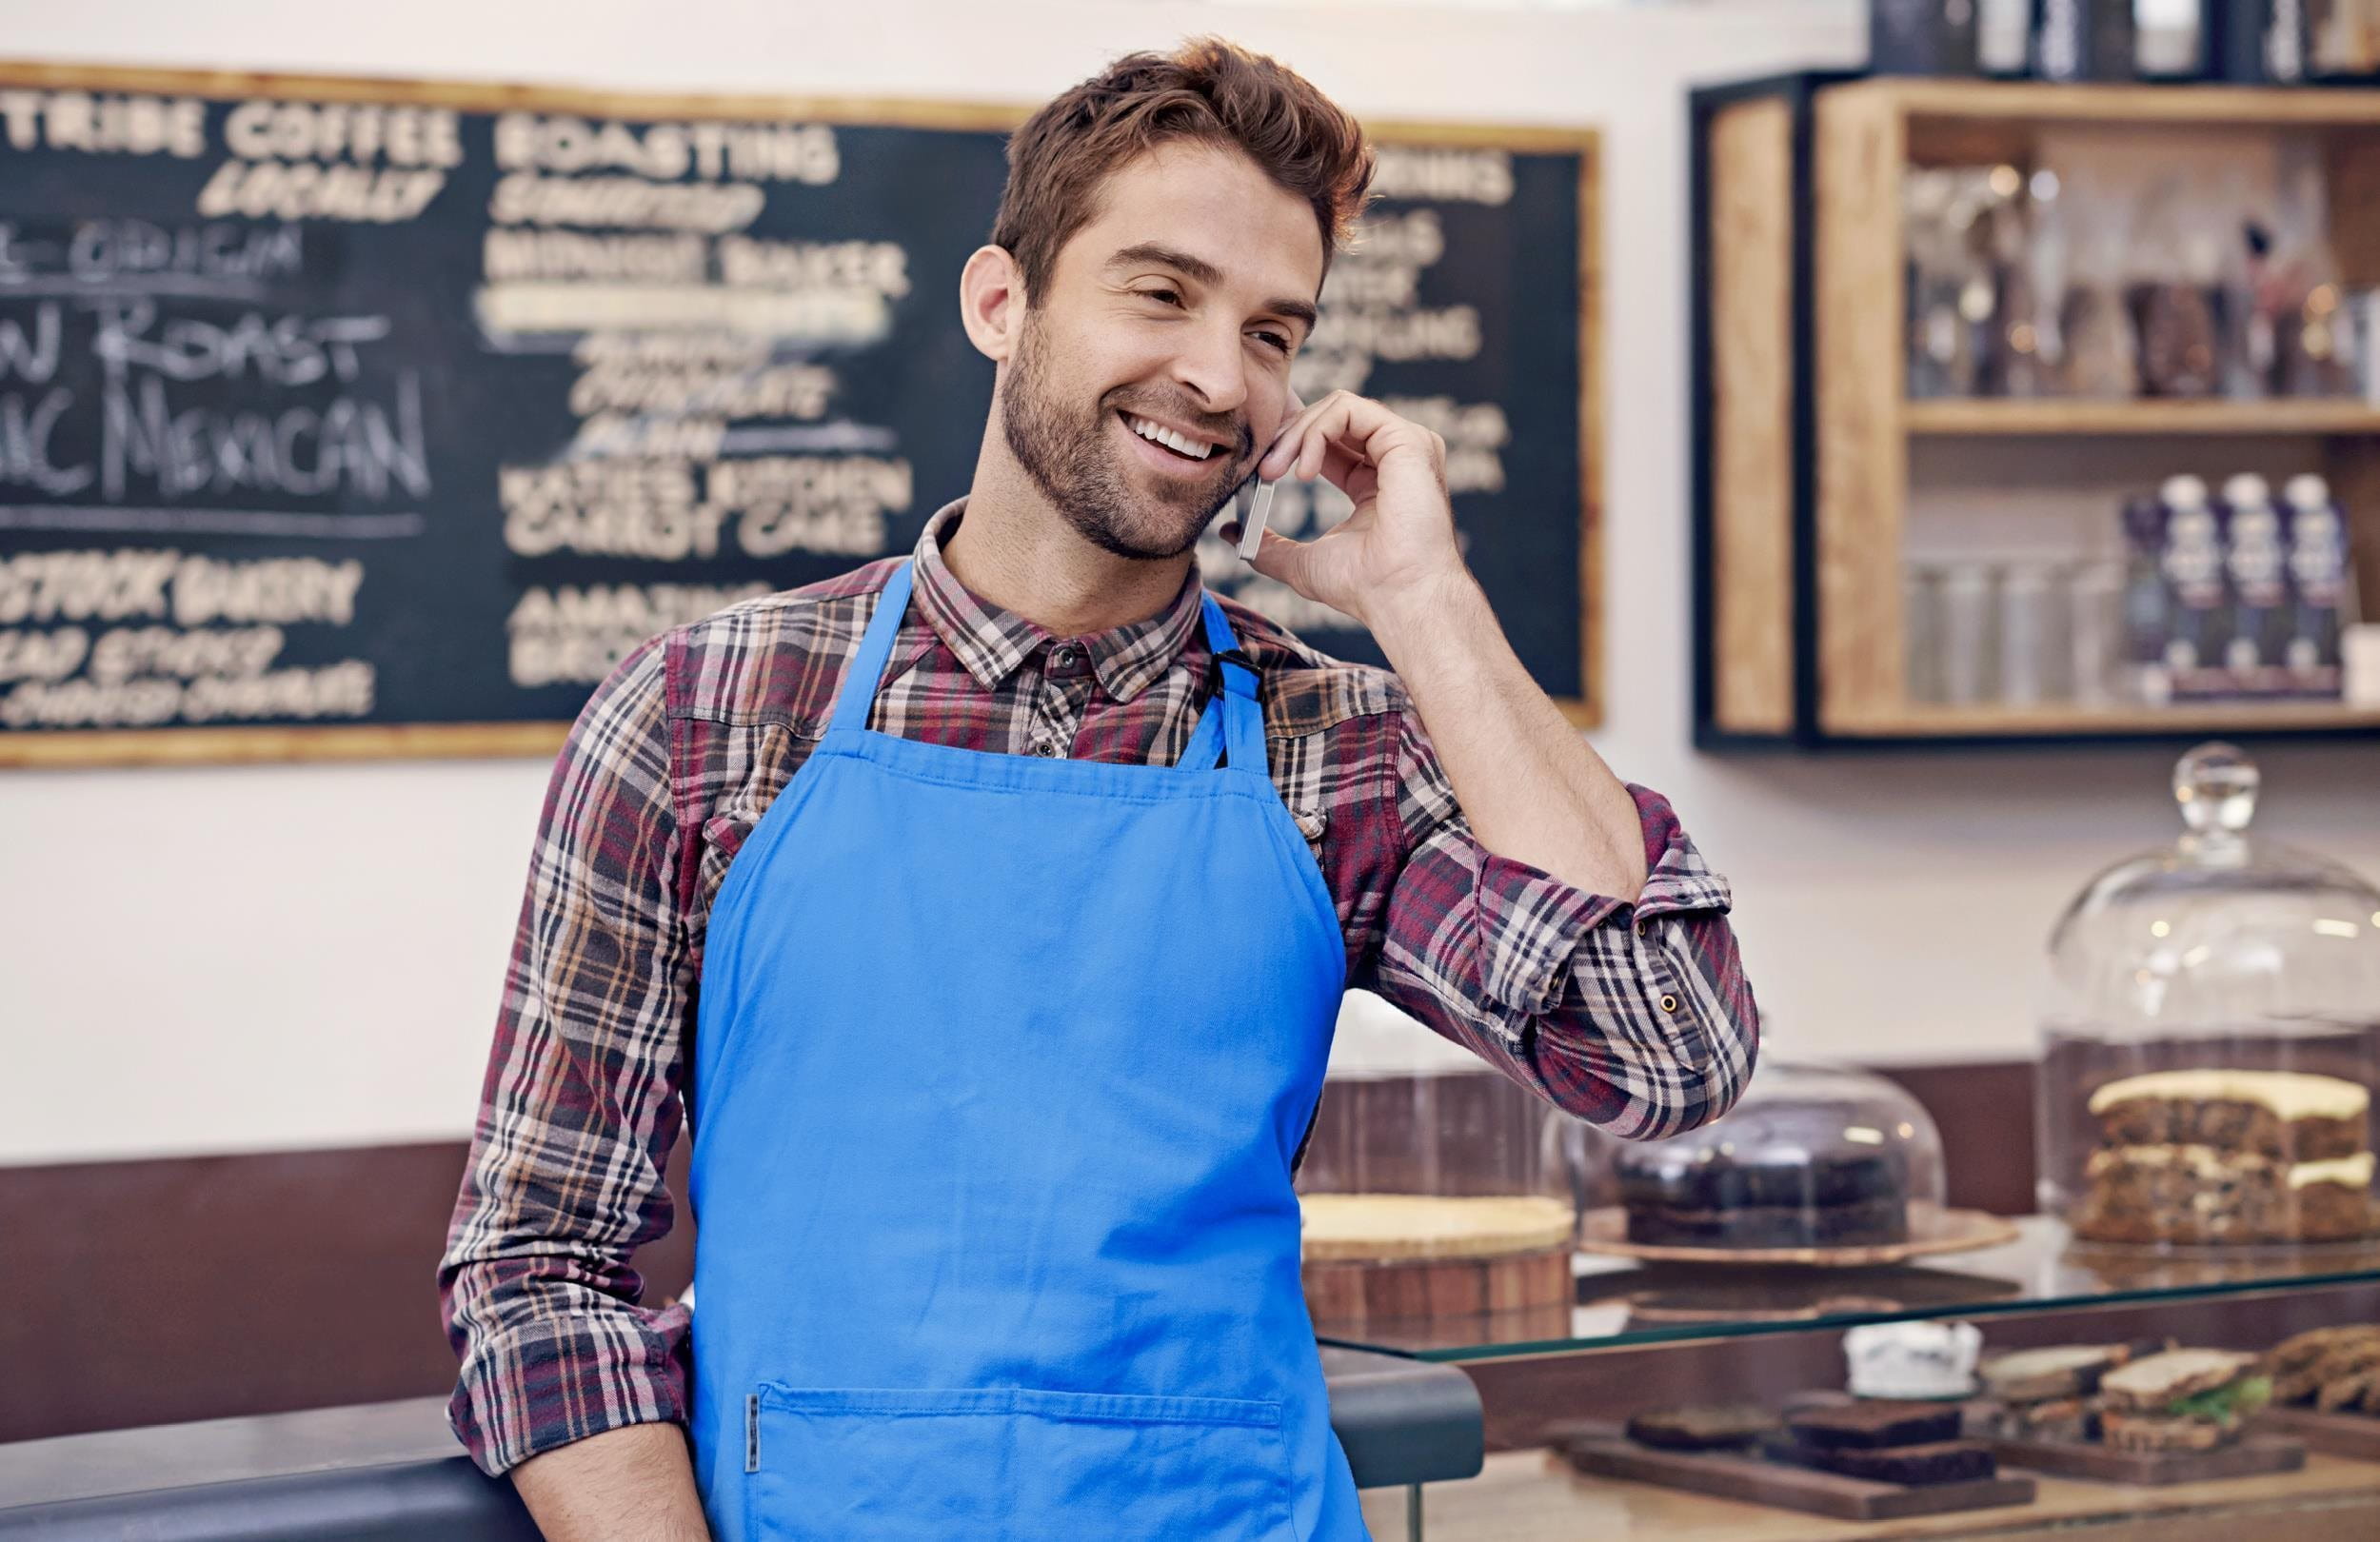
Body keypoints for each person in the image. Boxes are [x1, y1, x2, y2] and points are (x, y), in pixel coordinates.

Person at [440, 38, 1756, 1542]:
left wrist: (1429, 602)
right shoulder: (705, 714)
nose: (1218, 377)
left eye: (1275, 331)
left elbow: (1666, 1056)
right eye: (1163, 292)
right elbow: (535, 1265)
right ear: (1003, 302)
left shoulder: (1337, 748)